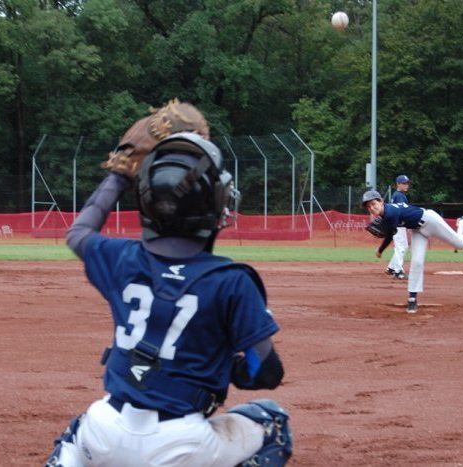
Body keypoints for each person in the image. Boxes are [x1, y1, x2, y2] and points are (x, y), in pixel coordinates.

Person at [45, 106, 292, 466]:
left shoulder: (120, 258)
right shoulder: (232, 281)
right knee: (274, 422)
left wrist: (118, 175)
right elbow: (264, 371)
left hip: (105, 430)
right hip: (180, 445)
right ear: (218, 202)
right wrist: (231, 366)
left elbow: (78, 234)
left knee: (82, 427)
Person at [362, 190, 463, 314]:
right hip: (418, 229)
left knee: (461, 243)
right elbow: (390, 230)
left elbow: (390, 235)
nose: (372, 208)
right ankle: (412, 298)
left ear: (381, 201)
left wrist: (380, 250)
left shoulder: (390, 212)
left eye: (374, 203)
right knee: (417, 262)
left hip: (430, 221)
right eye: (369, 207)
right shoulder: (386, 213)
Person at [385, 175, 411, 279]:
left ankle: (391, 268)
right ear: (398, 184)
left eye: (407, 183)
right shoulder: (399, 195)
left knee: (402, 247)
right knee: (401, 248)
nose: (406, 185)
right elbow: (402, 211)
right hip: (399, 226)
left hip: (397, 225)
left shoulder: (397, 195)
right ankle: (398, 271)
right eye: (404, 183)